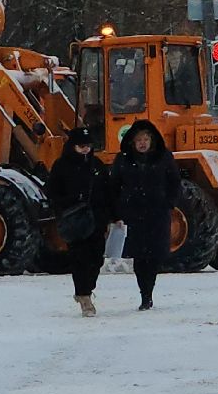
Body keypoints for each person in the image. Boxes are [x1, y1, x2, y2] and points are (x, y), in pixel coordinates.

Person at [110, 119, 181, 310]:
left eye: (146, 139)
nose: (142, 143)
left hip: (157, 213)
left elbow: (174, 181)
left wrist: (169, 203)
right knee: (139, 257)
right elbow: (114, 186)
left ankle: (149, 289)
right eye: (139, 139)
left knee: (155, 255)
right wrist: (116, 212)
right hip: (132, 214)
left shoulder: (164, 157)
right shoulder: (123, 159)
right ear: (133, 141)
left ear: (152, 140)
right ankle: (145, 294)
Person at [47, 126, 109, 317]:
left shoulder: (97, 165)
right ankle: (84, 297)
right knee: (79, 259)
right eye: (81, 146)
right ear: (72, 146)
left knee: (97, 259)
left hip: (97, 220)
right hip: (74, 220)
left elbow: (109, 191)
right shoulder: (61, 166)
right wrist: (69, 204)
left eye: (88, 145)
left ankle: (86, 289)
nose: (85, 149)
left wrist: (113, 216)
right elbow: (52, 193)